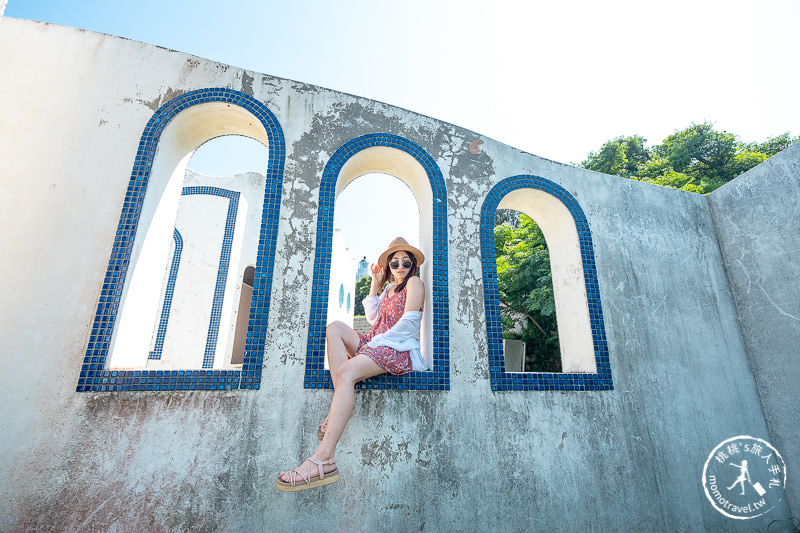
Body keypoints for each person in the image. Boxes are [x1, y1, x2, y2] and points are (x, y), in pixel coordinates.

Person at [276, 237, 426, 492]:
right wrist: (375, 285)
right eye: (395, 262)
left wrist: (377, 343)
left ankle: (323, 459)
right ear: (388, 266)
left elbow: (410, 322)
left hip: (397, 348)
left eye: (405, 262)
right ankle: (341, 406)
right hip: (377, 341)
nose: (400, 266)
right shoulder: (389, 290)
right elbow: (372, 317)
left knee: (345, 372)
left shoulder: (414, 283)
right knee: (334, 328)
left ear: (412, 265)